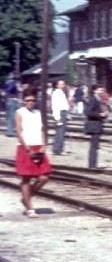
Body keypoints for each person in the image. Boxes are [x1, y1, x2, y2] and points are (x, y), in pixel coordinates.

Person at [13, 89, 52, 217]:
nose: (31, 102)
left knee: (44, 177)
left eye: (33, 100)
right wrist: (27, 149)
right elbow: (19, 132)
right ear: (24, 100)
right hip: (25, 147)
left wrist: (43, 145)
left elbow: (41, 130)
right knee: (26, 178)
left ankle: (26, 198)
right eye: (28, 100)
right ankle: (30, 209)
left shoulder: (38, 113)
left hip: (38, 147)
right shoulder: (19, 113)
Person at [84, 86, 110, 170]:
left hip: (97, 125)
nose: (102, 91)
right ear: (95, 91)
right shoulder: (93, 99)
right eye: (100, 90)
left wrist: (104, 114)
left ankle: (93, 164)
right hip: (94, 126)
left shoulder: (98, 99)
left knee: (95, 146)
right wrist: (99, 114)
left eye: (102, 89)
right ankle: (92, 165)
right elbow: (88, 112)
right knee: (94, 146)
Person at [48, 78, 70, 156]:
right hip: (59, 113)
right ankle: (57, 150)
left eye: (63, 84)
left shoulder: (62, 93)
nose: (62, 85)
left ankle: (59, 148)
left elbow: (64, 104)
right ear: (57, 85)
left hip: (63, 113)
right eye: (61, 84)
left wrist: (67, 114)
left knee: (62, 132)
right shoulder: (56, 93)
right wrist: (57, 117)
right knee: (60, 132)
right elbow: (55, 106)